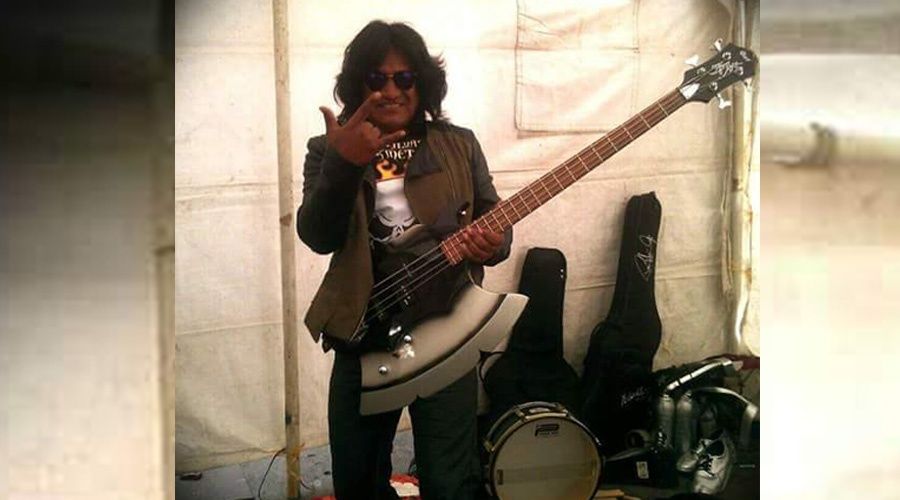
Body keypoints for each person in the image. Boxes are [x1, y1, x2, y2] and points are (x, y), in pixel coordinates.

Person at [296, 20, 512, 500]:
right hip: (364, 329)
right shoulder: (328, 149)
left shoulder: (459, 144)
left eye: (405, 78)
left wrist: (494, 242)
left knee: (450, 482)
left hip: (448, 330)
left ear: (423, 82)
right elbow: (317, 236)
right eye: (377, 78)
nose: (391, 90)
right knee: (357, 480)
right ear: (358, 86)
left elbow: (495, 219)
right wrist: (343, 165)